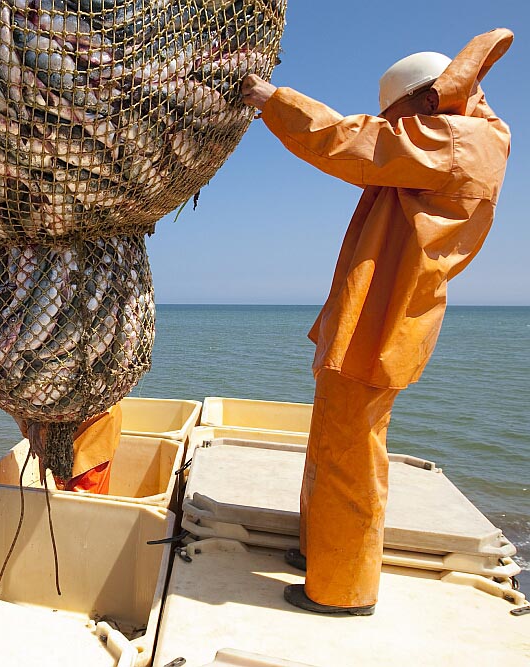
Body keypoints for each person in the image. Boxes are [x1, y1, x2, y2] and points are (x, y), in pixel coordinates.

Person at [240, 29, 512, 615]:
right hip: (380, 315)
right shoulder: (471, 136)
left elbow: (354, 143)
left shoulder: (456, 140)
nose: (397, 125)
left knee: (351, 451)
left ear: (422, 101)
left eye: (399, 114)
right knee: (335, 438)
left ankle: (342, 589)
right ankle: (324, 548)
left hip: (383, 319)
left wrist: (271, 98)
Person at [15, 403, 123, 494]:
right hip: (47, 422)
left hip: (94, 418)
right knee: (61, 480)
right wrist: (28, 420)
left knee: (85, 498)